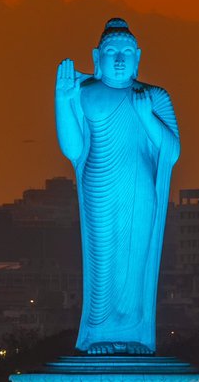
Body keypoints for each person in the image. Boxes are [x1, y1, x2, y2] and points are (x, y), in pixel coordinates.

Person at [55, 18, 180, 355]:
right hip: (99, 184)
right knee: (103, 259)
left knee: (134, 259)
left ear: (138, 57)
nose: (120, 58)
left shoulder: (153, 96)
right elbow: (73, 149)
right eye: (112, 52)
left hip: (140, 189)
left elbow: (171, 151)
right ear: (98, 57)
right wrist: (63, 102)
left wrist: (146, 116)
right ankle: (99, 333)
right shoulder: (85, 94)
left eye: (127, 52)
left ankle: (133, 334)